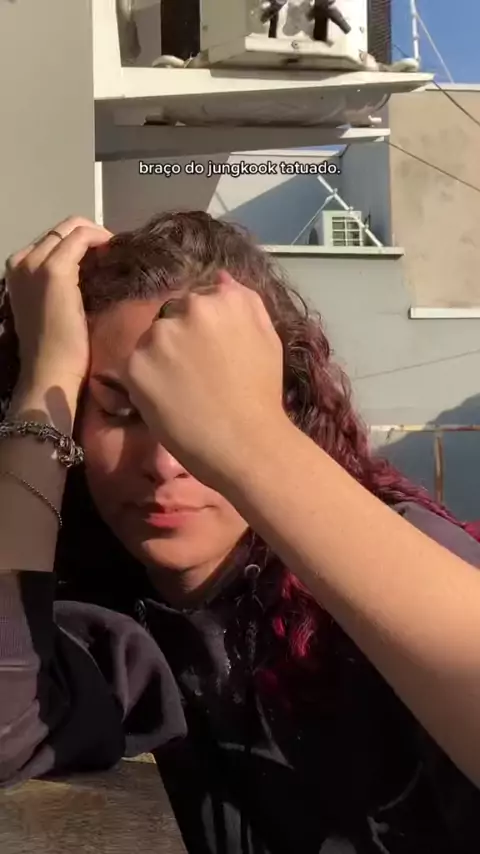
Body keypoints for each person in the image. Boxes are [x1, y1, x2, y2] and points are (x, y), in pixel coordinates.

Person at [1, 212, 480, 854]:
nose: (165, 463)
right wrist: (44, 383)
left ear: (287, 408)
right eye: (120, 410)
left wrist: (251, 443)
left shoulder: (397, 559)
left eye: (197, 416)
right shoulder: (102, 620)